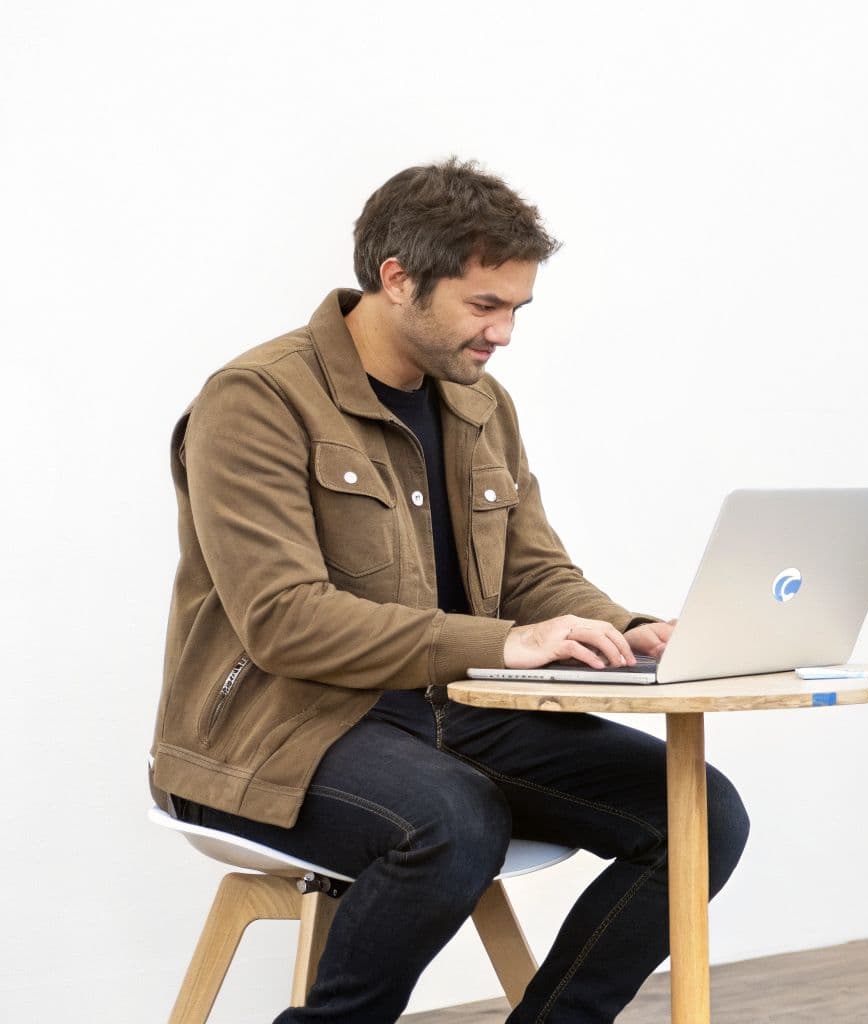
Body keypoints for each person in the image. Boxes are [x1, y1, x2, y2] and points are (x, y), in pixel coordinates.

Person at [148, 157, 749, 1023]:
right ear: (398, 279)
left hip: (446, 713)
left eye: (517, 309)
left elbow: (532, 572)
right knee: (453, 823)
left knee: (701, 815)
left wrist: (627, 629)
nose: (503, 332)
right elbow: (283, 620)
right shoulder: (256, 401)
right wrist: (501, 642)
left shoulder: (480, 403)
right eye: (484, 305)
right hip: (279, 731)